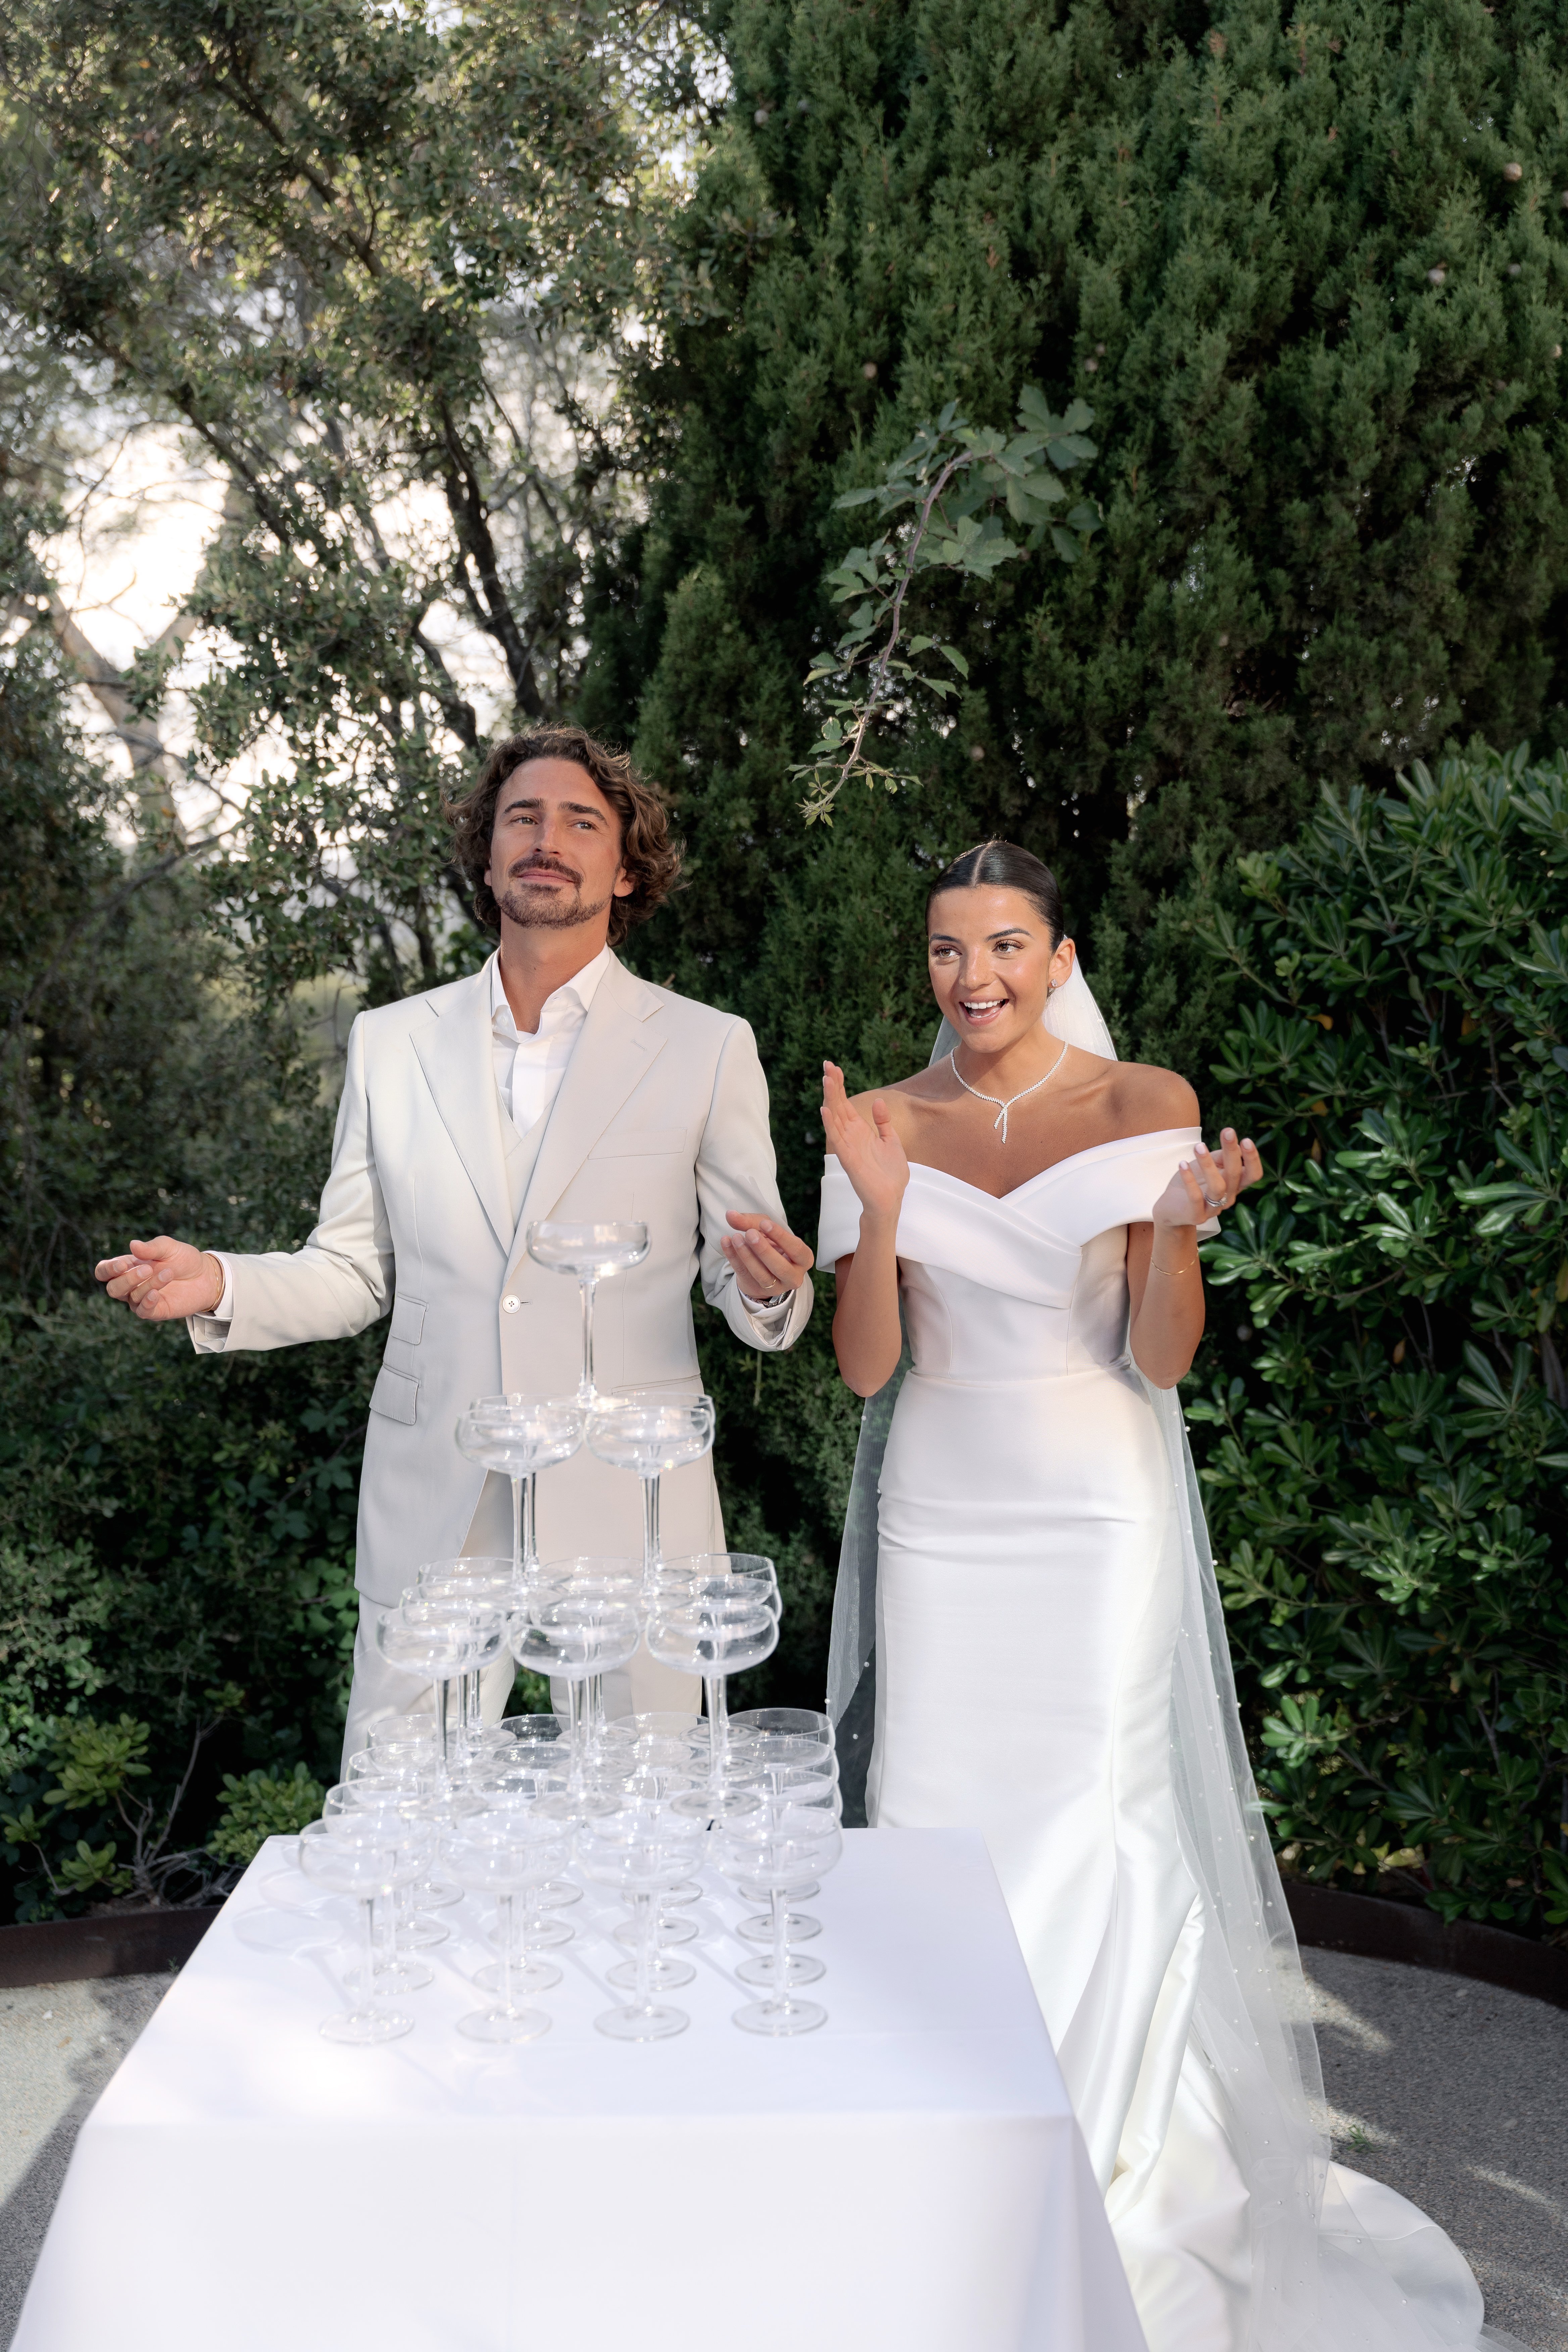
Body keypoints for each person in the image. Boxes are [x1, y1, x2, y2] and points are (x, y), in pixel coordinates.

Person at [817, 838, 1508, 2352]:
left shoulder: (1148, 1106)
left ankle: (1115, 2173)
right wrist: (875, 1210)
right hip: (943, 1511)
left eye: (1006, 946)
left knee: (1094, 1810)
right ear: (924, 968)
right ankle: (954, 2159)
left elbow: (1162, 1358)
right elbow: (869, 1366)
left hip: (1094, 1510)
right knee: (937, 1815)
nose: (975, 978)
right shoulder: (875, 1118)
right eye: (947, 951)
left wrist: (1181, 1223)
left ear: (1061, 958)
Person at [95, 726, 814, 1763]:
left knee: (647, 1817)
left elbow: (741, 1272)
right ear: (487, 856)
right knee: (404, 1814)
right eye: (522, 817)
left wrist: (768, 1293)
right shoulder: (391, 1042)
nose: (547, 839)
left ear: (625, 869)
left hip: (632, 1498)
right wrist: (220, 1282)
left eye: (582, 821)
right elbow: (353, 1270)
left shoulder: (708, 1046)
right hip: (440, 1490)